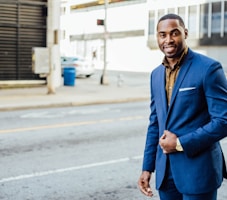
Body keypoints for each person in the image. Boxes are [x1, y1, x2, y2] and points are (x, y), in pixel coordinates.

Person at [138, 13, 227, 200]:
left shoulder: (208, 68)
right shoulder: (155, 75)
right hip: (165, 173)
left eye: (174, 33)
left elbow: (223, 121)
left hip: (198, 171)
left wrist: (179, 143)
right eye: (162, 34)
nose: (168, 40)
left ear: (185, 33)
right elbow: (155, 123)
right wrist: (147, 167)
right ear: (157, 37)